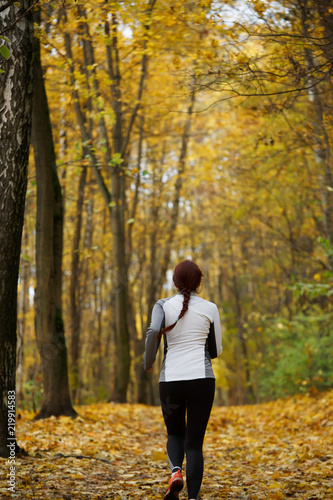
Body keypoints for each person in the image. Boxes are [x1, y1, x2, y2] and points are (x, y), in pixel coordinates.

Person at [143, 260, 223, 500]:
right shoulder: (210, 308)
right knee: (195, 443)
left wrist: (148, 362)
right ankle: (193, 497)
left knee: (175, 434)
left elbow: (152, 332)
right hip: (202, 380)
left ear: (175, 282)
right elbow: (216, 349)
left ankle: (176, 472)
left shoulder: (162, 305)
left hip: (171, 382)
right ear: (199, 282)